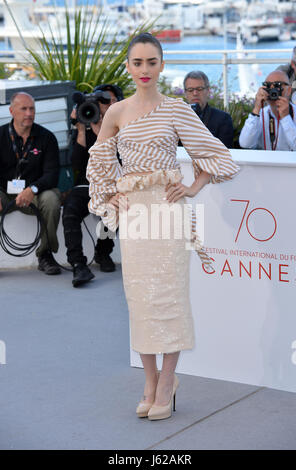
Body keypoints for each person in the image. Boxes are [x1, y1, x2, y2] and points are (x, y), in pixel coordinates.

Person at [87, 33, 239, 420]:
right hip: (136, 217)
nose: (144, 70)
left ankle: (168, 382)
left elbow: (215, 154)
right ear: (128, 65)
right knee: (140, 301)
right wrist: (110, 198)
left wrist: (192, 186)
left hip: (168, 214)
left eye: (151, 62)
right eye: (137, 63)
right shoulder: (116, 112)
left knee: (169, 299)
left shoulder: (176, 110)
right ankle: (150, 382)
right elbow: (99, 164)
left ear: (162, 65)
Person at [62, 84, 123, 288]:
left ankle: (103, 252)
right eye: (104, 101)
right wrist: (81, 130)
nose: (107, 105)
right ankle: (78, 264)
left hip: (110, 186)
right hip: (84, 186)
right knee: (70, 212)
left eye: (112, 101)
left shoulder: (122, 129)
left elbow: (118, 163)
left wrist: (101, 133)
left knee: (113, 208)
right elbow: (77, 165)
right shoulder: (85, 124)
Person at [0, 92, 61, 275]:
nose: (29, 113)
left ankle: (45, 255)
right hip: (4, 192)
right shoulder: (1, 135)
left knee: (51, 199)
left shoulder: (47, 137)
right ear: (12, 111)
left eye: (32, 109)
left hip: (33, 194)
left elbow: (52, 175)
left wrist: (32, 189)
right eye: (23, 109)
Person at [239, 70, 296, 151]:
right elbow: (245, 144)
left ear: (288, 90)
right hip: (266, 163)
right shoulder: (260, 114)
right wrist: (256, 109)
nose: (272, 90)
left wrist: (285, 118)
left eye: (277, 85)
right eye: (267, 86)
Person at [183, 70, 234, 148]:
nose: (195, 93)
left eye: (199, 89)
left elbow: (225, 152)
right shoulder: (176, 118)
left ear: (208, 91)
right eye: (190, 90)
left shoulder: (223, 119)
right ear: (185, 93)